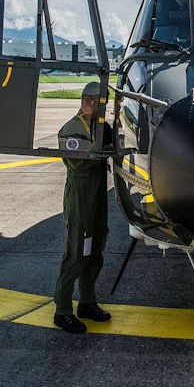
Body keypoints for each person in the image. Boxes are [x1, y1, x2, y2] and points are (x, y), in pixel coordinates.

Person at [53, 81, 113, 334]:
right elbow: (81, 162)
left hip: (97, 195)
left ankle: (87, 302)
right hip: (81, 197)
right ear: (88, 101)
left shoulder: (97, 127)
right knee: (77, 253)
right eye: (101, 104)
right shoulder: (72, 129)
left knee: (95, 250)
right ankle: (63, 310)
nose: (104, 110)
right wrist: (106, 149)